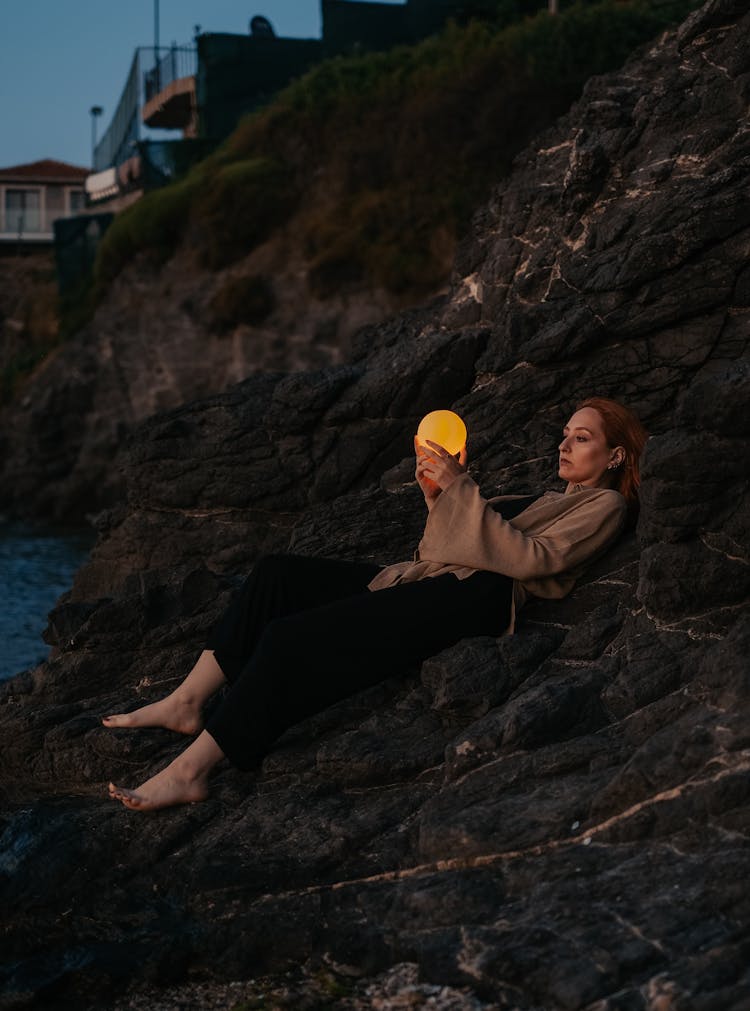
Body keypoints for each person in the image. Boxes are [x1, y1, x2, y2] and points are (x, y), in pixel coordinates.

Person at [105, 396, 647, 811]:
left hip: (475, 599)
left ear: (615, 454)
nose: (564, 445)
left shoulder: (606, 505)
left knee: (291, 640)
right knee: (277, 575)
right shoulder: (549, 498)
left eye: (580, 438)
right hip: (436, 580)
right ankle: (187, 702)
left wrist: (461, 490)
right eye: (565, 435)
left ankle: (193, 770)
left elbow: (530, 560)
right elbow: (438, 547)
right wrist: (438, 497)